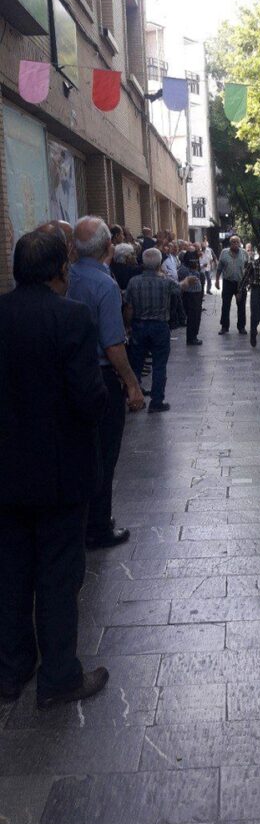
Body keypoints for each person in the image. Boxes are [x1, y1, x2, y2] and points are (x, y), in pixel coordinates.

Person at [0, 231, 109, 708]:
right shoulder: (71, 317)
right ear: (59, 269)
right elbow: (88, 396)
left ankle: (11, 669)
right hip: (61, 473)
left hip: (7, 473)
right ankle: (60, 675)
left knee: (10, 571)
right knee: (59, 574)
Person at [68, 216, 145, 549]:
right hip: (100, 377)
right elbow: (112, 343)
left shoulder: (67, 277)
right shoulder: (104, 284)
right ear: (107, 246)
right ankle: (99, 525)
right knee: (105, 452)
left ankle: (84, 519)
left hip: (71, 375)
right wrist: (132, 383)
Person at [125, 248, 189, 411]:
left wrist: (128, 325)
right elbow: (179, 288)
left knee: (136, 364)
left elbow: (129, 307)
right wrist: (187, 282)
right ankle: (156, 401)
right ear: (159, 264)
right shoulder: (165, 281)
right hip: (159, 326)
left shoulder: (133, 282)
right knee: (159, 365)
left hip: (139, 326)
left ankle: (134, 397)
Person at [216, 236, 249, 334]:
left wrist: (247, 282)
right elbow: (219, 267)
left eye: (237, 242)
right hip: (228, 282)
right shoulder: (224, 252)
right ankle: (224, 327)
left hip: (240, 283)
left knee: (241, 306)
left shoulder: (244, 253)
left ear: (239, 243)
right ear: (230, 244)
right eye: (233, 242)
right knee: (225, 305)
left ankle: (241, 327)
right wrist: (217, 280)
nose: (235, 244)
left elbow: (248, 268)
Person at [178, 250, 204, 346]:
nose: (196, 262)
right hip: (190, 295)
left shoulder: (190, 267)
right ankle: (191, 338)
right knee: (193, 317)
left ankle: (194, 337)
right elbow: (190, 278)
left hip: (196, 294)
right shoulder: (184, 269)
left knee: (196, 317)